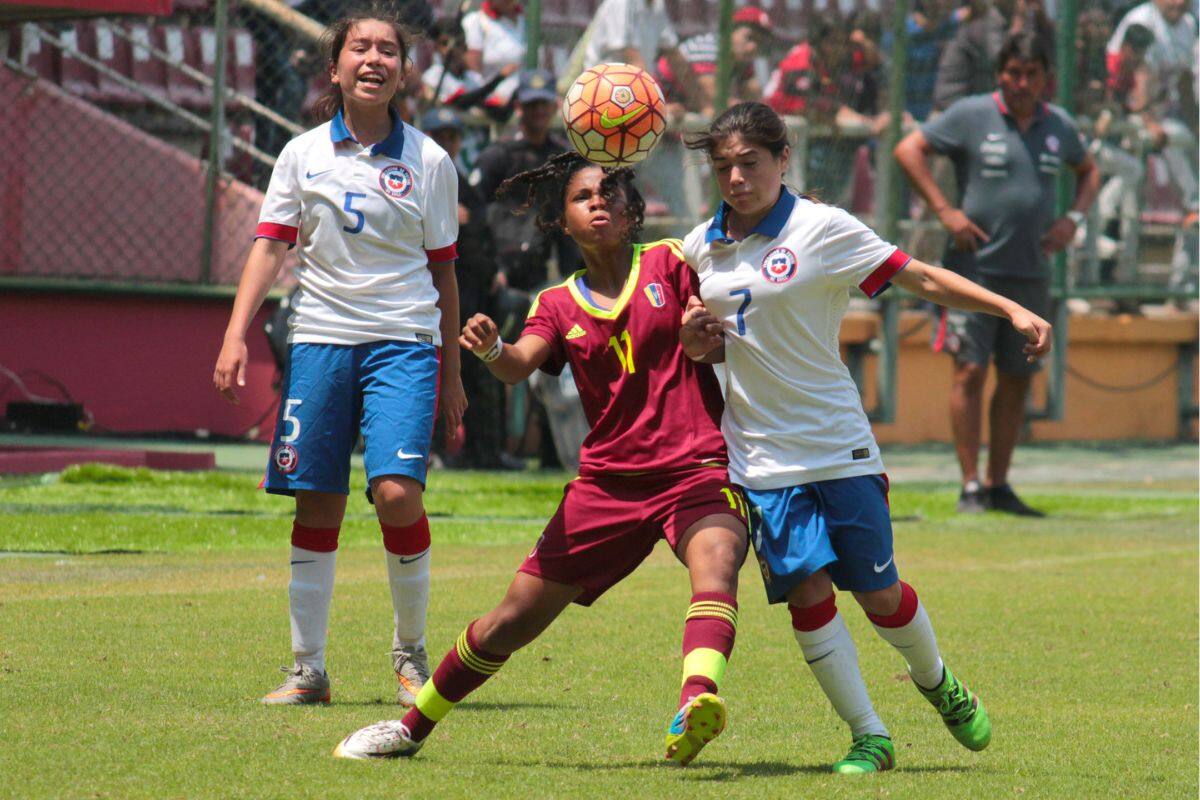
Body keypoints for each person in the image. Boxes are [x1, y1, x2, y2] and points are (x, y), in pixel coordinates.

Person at [333, 153, 749, 765]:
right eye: (583, 196)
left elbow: (713, 341)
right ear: (562, 220)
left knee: (717, 564)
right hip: (607, 486)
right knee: (511, 621)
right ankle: (410, 726)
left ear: (634, 210)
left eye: (611, 192)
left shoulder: (671, 262)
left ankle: (696, 700)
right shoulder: (557, 302)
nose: (599, 202)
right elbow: (519, 364)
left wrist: (701, 342)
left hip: (697, 467)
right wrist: (492, 348)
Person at [678, 101, 1054, 773]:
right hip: (762, 457)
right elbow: (704, 352)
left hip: (839, 444)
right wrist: (695, 344)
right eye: (723, 166)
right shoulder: (700, 247)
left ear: (783, 159)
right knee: (807, 593)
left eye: (750, 163)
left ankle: (938, 682)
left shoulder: (822, 229)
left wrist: (1008, 306)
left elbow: (922, 277)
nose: (736, 178)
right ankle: (868, 735)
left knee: (879, 595)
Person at [212, 6, 466, 708]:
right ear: (336, 67)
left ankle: (411, 655)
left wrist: (452, 374)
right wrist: (236, 334)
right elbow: (269, 245)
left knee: (395, 493)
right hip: (320, 338)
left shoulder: (431, 161)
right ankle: (308, 670)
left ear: (404, 72)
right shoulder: (301, 155)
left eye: (389, 49)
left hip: (404, 344)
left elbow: (444, 272)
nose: (375, 59)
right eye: (361, 48)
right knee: (317, 500)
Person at [895, 32, 1100, 516]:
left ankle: (998, 483)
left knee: (1016, 378)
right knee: (969, 371)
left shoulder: (1059, 125)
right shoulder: (971, 113)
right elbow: (909, 149)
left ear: (1045, 79)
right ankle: (969, 485)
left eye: (1031, 74)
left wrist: (1074, 219)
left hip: (1030, 274)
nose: (1021, 82)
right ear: (1000, 74)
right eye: (1013, 73)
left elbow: (1088, 171)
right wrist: (945, 211)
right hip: (973, 274)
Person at [419, 107, 507, 469]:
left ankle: (483, 452)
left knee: (475, 372)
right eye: (440, 136)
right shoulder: (416, 174)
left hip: (467, 290)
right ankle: (434, 449)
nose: (447, 143)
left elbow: (482, 235)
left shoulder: (464, 183)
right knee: (433, 370)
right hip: (428, 293)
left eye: (452, 136)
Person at [656, 6, 771, 115]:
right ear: (730, 30)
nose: (753, 47)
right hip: (655, 105)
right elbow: (714, 100)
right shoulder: (706, 47)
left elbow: (756, 99)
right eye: (749, 37)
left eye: (759, 43)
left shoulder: (742, 61)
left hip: (679, 114)